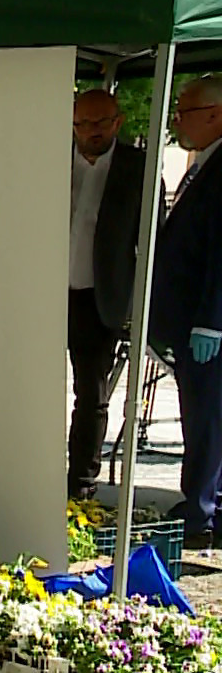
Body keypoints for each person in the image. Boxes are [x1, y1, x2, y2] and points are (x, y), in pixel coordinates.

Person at [150, 75, 222, 547]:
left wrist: (211, 320)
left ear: (215, 114)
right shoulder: (205, 165)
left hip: (207, 320)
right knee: (199, 415)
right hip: (189, 316)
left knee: (208, 416)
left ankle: (202, 514)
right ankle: (200, 499)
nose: (177, 120)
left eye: (185, 112)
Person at [66, 89, 146, 500]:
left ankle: (80, 483)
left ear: (118, 122)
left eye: (102, 123)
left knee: (91, 395)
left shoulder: (139, 169)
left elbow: (150, 243)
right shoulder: (51, 162)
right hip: (44, 295)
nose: (93, 132)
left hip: (99, 299)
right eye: (84, 124)